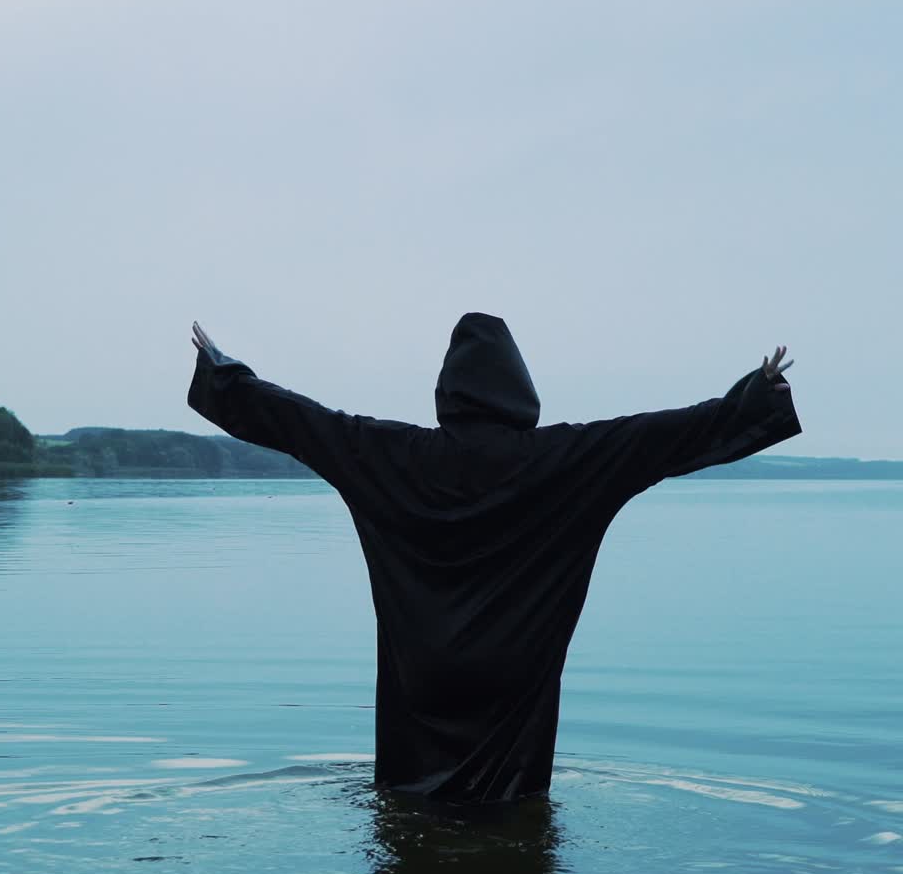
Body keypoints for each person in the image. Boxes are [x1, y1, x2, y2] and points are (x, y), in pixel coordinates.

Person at [188, 314, 799, 805]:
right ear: (519, 386)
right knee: (509, 804)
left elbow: (306, 424)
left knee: (408, 800)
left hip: (421, 674)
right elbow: (661, 437)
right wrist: (753, 397)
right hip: (515, 677)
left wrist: (225, 375)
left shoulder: (392, 453)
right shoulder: (566, 457)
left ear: (448, 388)